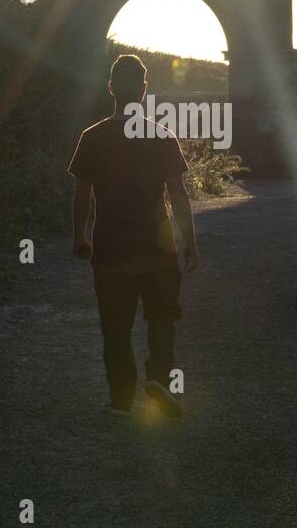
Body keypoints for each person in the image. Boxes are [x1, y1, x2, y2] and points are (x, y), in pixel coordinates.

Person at [68, 53, 200, 418]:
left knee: (115, 326)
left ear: (110, 87)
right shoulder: (162, 135)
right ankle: (159, 378)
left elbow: (82, 192)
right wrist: (191, 244)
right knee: (162, 320)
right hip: (159, 250)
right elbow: (178, 193)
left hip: (112, 251)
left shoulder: (92, 137)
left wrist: (80, 235)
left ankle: (121, 398)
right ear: (144, 89)